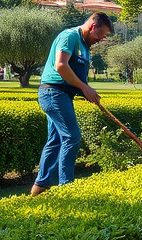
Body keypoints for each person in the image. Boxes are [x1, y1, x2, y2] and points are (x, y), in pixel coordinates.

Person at [30, 12, 114, 196]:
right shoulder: (70, 37)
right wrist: (84, 87)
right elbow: (61, 65)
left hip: (62, 95)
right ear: (93, 26)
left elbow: (77, 76)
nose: (101, 39)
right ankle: (67, 187)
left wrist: (87, 90)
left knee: (55, 140)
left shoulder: (85, 46)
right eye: (102, 34)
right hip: (53, 92)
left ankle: (39, 187)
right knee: (72, 136)